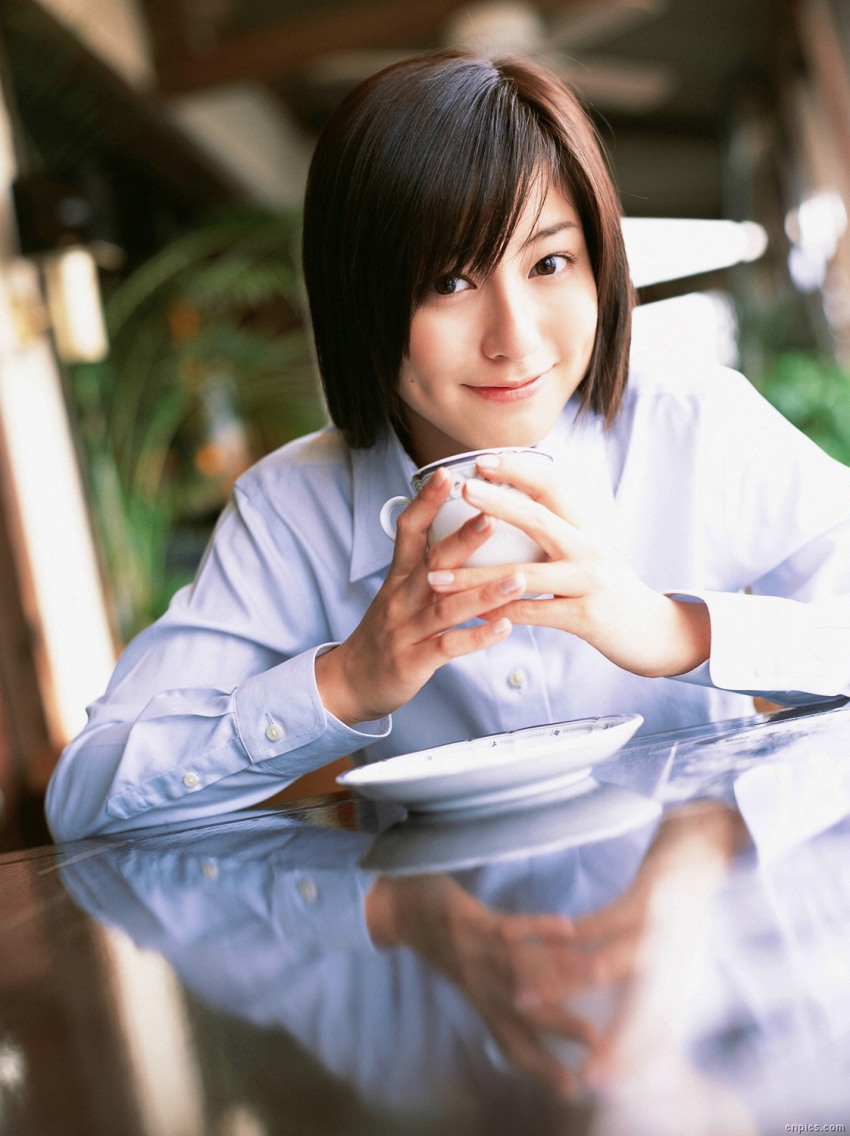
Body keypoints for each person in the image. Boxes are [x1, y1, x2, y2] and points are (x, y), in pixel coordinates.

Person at [46, 50, 850, 841]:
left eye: (550, 262)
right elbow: (85, 796)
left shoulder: (692, 423)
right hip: (442, 949)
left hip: (689, 937)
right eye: (450, 281)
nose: (515, 338)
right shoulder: (294, 507)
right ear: (360, 299)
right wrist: (349, 679)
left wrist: (672, 632)